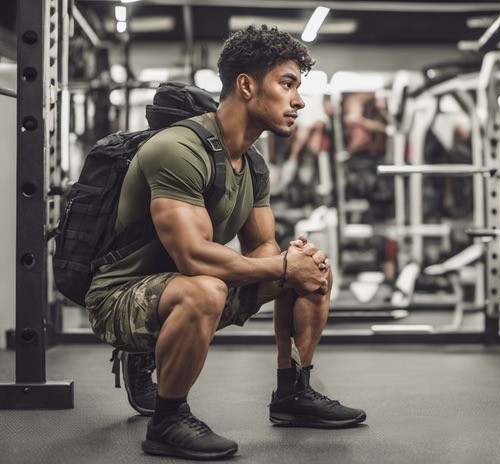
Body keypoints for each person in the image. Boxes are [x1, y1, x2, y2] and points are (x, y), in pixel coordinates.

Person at [85, 24, 366, 461]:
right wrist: (280, 266)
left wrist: (294, 264)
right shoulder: (179, 149)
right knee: (207, 288)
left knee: (313, 268)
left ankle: (293, 394)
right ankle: (168, 419)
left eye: (298, 87)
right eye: (287, 84)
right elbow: (193, 254)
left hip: (189, 284)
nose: (299, 100)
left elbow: (263, 246)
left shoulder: (252, 163)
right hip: (120, 296)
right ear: (247, 85)